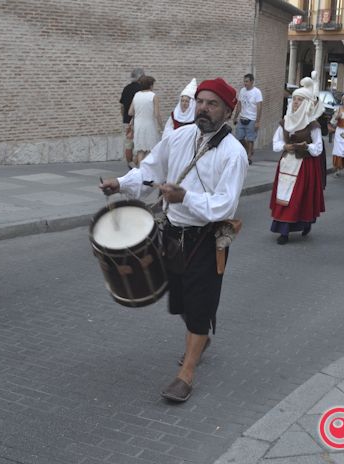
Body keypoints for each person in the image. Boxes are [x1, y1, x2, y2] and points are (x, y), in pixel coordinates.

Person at [99, 78, 248, 403]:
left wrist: (185, 197)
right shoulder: (179, 137)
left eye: (213, 104)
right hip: (173, 234)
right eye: (201, 102)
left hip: (207, 240)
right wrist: (121, 183)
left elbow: (225, 204)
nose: (204, 109)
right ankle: (200, 335)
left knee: (198, 304)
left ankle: (187, 373)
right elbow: (150, 170)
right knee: (179, 300)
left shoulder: (233, 154)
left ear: (227, 110)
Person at [270, 75, 325, 245]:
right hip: (287, 162)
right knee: (284, 196)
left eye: (300, 100)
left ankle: (302, 223)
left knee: (299, 197)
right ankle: (283, 230)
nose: (296, 103)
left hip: (305, 166)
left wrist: (306, 147)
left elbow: (318, 148)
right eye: (294, 100)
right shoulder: (285, 121)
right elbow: (276, 142)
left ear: (307, 103)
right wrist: (284, 147)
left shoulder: (312, 125)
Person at [129, 75, 162, 166]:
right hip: (150, 126)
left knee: (140, 150)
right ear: (151, 85)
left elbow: (130, 112)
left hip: (138, 125)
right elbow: (157, 114)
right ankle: (148, 172)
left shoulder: (136, 95)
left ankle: (141, 172)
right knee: (151, 149)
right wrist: (161, 126)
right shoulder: (153, 96)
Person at [232, 73, 263, 165]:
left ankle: (248, 156)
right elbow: (239, 104)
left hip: (252, 119)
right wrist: (235, 117)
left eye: (247, 81)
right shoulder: (242, 91)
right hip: (242, 117)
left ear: (252, 82)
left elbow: (259, 107)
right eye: (244, 81)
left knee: (250, 139)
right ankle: (249, 150)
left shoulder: (257, 92)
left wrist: (257, 121)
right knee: (239, 137)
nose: (245, 83)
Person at [120, 68, 144, 168]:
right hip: (138, 120)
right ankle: (136, 164)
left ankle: (130, 163)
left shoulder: (126, 88)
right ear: (141, 77)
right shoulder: (141, 90)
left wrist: (125, 118)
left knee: (128, 143)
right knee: (139, 144)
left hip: (127, 120)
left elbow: (121, 106)